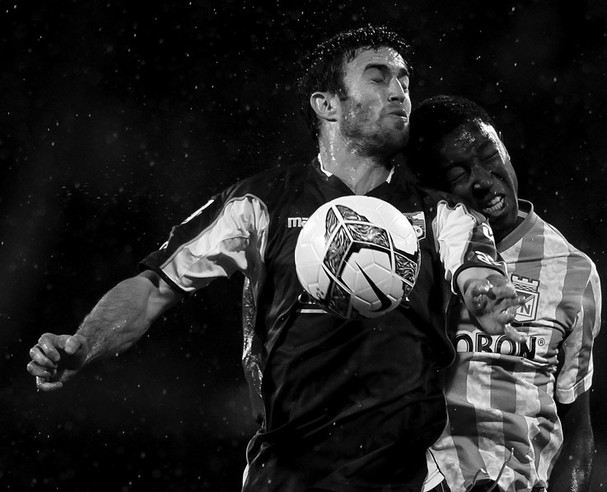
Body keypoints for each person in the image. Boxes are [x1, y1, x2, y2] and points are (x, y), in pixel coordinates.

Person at [27, 28, 525, 491]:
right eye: (378, 78)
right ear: (326, 104)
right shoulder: (259, 203)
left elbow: (477, 273)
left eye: (404, 80)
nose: (399, 92)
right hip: (288, 471)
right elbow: (156, 285)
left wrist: (486, 294)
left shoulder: (442, 212)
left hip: (409, 475)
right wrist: (83, 343)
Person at [406, 95, 602, 492]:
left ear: (506, 151)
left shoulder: (575, 271)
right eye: (458, 172)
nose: (481, 179)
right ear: (437, 189)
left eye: (487, 155)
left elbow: (576, 425)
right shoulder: (416, 257)